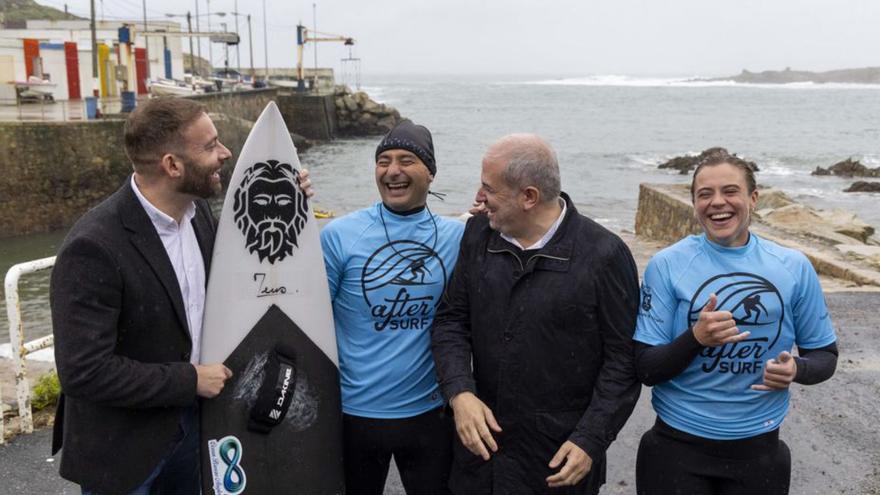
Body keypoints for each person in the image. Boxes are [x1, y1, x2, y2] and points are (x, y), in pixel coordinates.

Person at [431, 134, 641, 494]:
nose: (479, 198)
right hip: (481, 459)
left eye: (489, 189)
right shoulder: (478, 234)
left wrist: (591, 439)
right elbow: (451, 320)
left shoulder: (604, 254)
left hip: (558, 460)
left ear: (529, 196)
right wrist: (459, 393)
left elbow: (623, 360)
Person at [50, 98, 236, 495]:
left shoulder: (197, 213)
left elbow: (239, 264)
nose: (225, 153)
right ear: (172, 165)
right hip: (124, 451)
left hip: (191, 428)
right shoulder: (94, 246)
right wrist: (190, 380)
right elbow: (84, 372)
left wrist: (289, 200)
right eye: (210, 146)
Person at [633, 149, 839, 495]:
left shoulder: (793, 266)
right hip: (675, 448)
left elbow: (825, 356)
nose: (718, 203)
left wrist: (796, 370)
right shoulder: (667, 265)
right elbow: (645, 368)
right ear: (694, 203)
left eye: (730, 191)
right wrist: (696, 337)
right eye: (705, 194)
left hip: (759, 451)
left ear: (753, 198)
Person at [319, 120, 465, 494]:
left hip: (430, 414)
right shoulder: (340, 235)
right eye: (383, 161)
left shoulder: (458, 237)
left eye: (407, 160)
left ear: (430, 173)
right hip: (355, 414)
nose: (393, 171)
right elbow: (311, 318)